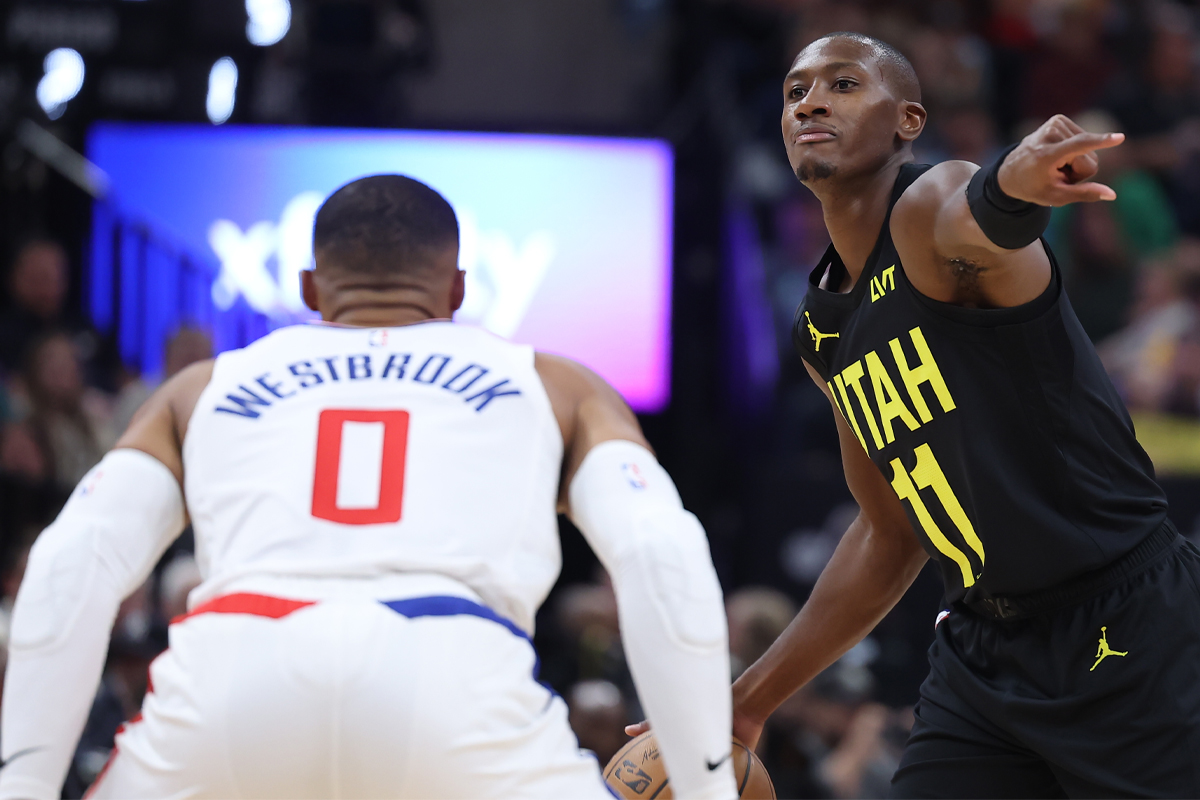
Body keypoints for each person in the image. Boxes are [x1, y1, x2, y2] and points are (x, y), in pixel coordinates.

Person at [0, 175, 738, 800]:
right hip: (457, 680)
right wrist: (708, 785)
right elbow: (662, 555)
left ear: (310, 290)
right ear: (456, 290)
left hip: (235, 676)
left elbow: (71, 566)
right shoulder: (555, 385)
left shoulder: (200, 389)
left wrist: (21, 786)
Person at [639, 31, 1200, 797]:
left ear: (908, 121)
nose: (811, 101)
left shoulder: (931, 207)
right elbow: (886, 532)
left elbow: (979, 219)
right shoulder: (822, 329)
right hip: (983, 652)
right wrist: (748, 701)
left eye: (842, 84)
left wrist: (1014, 189)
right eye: (796, 90)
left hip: (1124, 623)